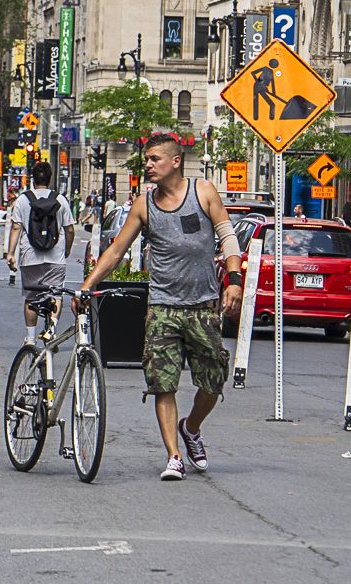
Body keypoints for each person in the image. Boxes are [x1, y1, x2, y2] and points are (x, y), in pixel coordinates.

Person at [81, 134, 242, 482]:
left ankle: (191, 428)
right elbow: (116, 251)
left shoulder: (203, 192)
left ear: (175, 161)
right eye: (146, 160)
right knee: (162, 384)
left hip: (202, 306)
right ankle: (174, 456)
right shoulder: (144, 205)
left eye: (154, 159)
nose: (148, 165)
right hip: (162, 307)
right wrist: (88, 284)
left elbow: (228, 237)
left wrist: (234, 279)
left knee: (214, 381)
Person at [5, 162, 75, 343]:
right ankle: (51, 330)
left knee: (31, 297)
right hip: (56, 257)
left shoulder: (22, 200)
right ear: (50, 179)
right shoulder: (60, 200)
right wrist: (67, 249)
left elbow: (16, 228)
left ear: (33, 179)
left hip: (30, 257)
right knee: (56, 294)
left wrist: (10, 253)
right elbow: (69, 229)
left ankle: (30, 338)